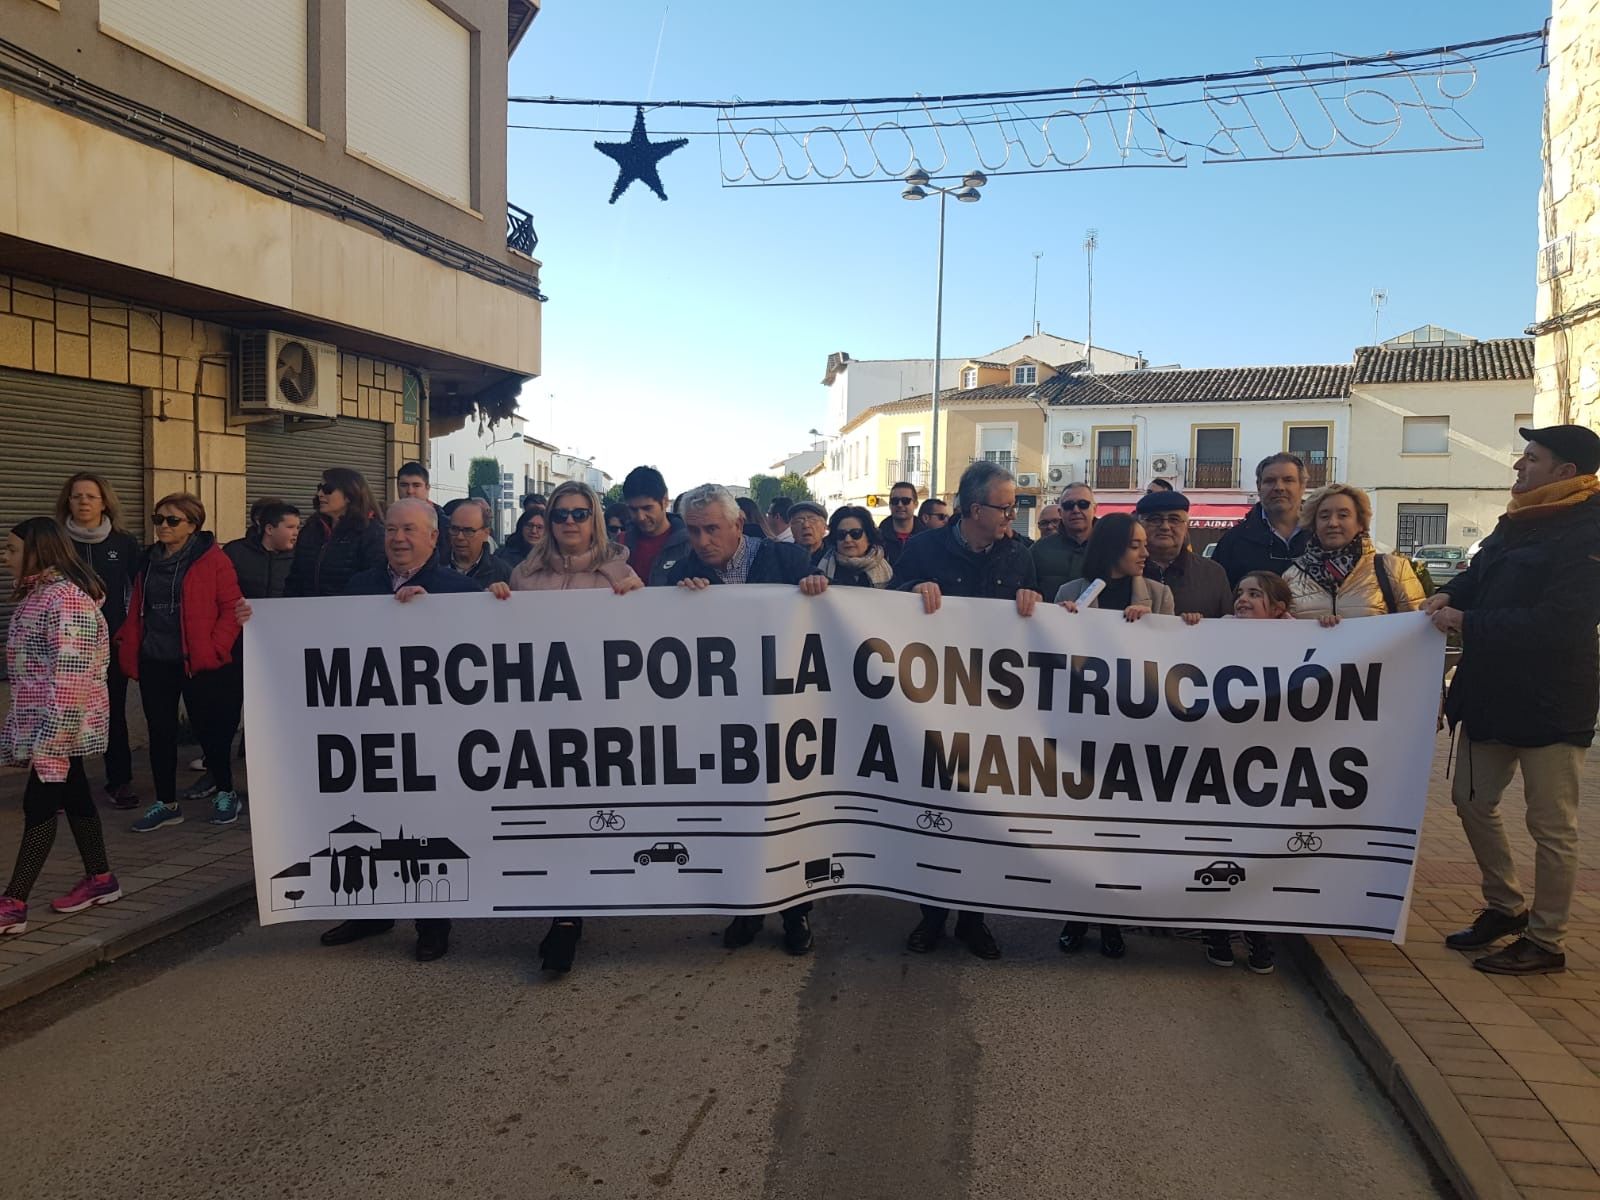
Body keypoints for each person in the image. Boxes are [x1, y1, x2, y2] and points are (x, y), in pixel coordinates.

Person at [1426, 424, 1600, 975]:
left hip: (1552, 705)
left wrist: (1468, 622)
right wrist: (1447, 593)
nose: (1519, 467)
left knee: (1552, 827)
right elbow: (1478, 574)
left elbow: (1563, 623)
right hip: (1488, 696)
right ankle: (1505, 906)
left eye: (1532, 458)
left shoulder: (1590, 529)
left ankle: (1546, 940)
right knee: (1470, 800)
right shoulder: (1517, 519)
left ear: (1565, 471)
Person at [316, 498, 492, 963]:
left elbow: (482, 662)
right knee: (369, 819)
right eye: (392, 529)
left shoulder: (458, 591)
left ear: (433, 537)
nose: (398, 538)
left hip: (433, 736)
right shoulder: (359, 586)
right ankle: (371, 911)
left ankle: (433, 922)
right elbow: (324, 641)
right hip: (371, 731)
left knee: (425, 826)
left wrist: (433, 617)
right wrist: (258, 623)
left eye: (409, 530)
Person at [664, 484, 827, 955]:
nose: (702, 541)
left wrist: (818, 591)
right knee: (736, 819)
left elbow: (828, 621)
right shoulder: (685, 572)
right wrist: (679, 602)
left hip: (784, 715)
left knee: (788, 817)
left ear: (738, 524)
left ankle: (796, 912)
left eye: (712, 529)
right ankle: (746, 908)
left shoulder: (789, 561)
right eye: (694, 531)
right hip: (723, 723)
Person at [891, 460, 1042, 960]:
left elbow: (1034, 625)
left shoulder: (1019, 554)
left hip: (994, 710)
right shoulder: (924, 549)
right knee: (935, 815)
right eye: (1006, 507)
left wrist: (1033, 600)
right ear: (975, 509)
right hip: (934, 706)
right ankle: (931, 915)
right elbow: (886, 604)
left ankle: (974, 920)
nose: (1012, 516)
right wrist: (911, 592)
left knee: (984, 817)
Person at [509, 481, 643, 971]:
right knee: (553, 817)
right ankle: (564, 912)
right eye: (560, 514)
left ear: (595, 519)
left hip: (598, 718)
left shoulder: (620, 573)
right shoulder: (524, 576)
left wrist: (641, 603)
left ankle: (570, 913)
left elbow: (644, 637)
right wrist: (492, 604)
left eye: (579, 513)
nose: (569, 522)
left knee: (587, 814)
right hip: (541, 716)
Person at [1055, 512, 1192, 961]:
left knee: (1116, 835)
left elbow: (1173, 661)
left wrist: (1157, 628)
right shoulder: (1070, 593)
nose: (1145, 552)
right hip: (1083, 733)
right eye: (1136, 545)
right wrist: (1063, 624)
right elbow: (1053, 657)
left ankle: (1111, 920)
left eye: (1144, 544)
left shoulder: (1158, 594)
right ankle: (1075, 916)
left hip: (1131, 734)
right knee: (1080, 834)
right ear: (1112, 547)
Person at [0, 518, 120, 935]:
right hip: (47, 724)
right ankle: (101, 879)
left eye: (12, 550)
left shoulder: (66, 601)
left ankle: (14, 903)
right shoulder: (38, 595)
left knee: (39, 805)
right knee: (76, 796)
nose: (5, 557)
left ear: (38, 552)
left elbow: (72, 676)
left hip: (59, 726)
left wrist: (52, 741)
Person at [114, 493, 244, 831]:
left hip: (197, 660)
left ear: (192, 525)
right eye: (158, 519)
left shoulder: (213, 560)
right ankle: (166, 803)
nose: (163, 526)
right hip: (155, 658)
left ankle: (226, 792)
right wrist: (130, 645)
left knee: (209, 730)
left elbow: (231, 608)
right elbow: (137, 606)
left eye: (173, 520)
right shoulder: (148, 560)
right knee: (160, 733)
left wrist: (214, 648)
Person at [1198, 570, 1295, 973]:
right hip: (1223, 761)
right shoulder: (1217, 632)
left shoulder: (1302, 640)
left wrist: (1330, 630)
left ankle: (1258, 932)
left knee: (1258, 852)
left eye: (1255, 594)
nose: (1242, 599)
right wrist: (1187, 627)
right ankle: (1218, 931)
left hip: (1269, 765)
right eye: (1240, 592)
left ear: (1278, 609)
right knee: (1218, 846)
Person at [56, 472, 142, 810]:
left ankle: (119, 781)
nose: (83, 502)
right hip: (67, 645)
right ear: (68, 501)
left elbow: (139, 591)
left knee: (114, 712)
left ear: (104, 502)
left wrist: (130, 632)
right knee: (67, 714)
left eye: (91, 496)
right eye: (76, 496)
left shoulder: (123, 543)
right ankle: (66, 786)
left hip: (111, 643)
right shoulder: (55, 542)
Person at [1284, 484, 1423, 624]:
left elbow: (1418, 626)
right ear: (1314, 524)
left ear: (1360, 523)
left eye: (1343, 515)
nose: (1333, 523)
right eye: (1324, 516)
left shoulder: (1394, 569)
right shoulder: (1291, 577)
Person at [1211, 453, 1310, 586]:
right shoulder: (1233, 542)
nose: (1279, 487)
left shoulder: (1322, 537)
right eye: (1270, 481)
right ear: (1259, 486)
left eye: (1288, 480)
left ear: (1302, 486)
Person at [286, 467, 385, 598]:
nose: (320, 494)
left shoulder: (371, 533)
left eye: (328, 489)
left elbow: (375, 580)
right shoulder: (311, 529)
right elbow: (295, 577)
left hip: (350, 608)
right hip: (307, 607)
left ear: (349, 494)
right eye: (319, 488)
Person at [1135, 490, 1233, 619]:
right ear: (1140, 525)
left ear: (1186, 526)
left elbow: (1228, 622)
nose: (1165, 526)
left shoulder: (1212, 573)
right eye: (1155, 519)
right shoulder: (1125, 571)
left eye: (1174, 520)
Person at [619, 466, 690, 585]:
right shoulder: (619, 545)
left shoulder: (691, 544)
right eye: (633, 510)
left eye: (647, 508)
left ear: (665, 501)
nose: (641, 517)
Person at [1031, 482, 1095, 601]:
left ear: (1095, 509)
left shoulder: (1111, 547)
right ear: (1060, 512)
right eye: (1068, 505)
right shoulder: (1038, 550)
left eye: (1083, 504)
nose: (1076, 510)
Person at [815, 505, 893, 587]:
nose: (847, 539)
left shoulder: (887, 570)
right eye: (841, 534)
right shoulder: (817, 568)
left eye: (855, 533)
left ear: (868, 537)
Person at [446, 498, 512, 587]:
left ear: (486, 533)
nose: (459, 537)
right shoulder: (434, 568)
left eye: (468, 531)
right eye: (454, 529)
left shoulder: (502, 572)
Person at [396, 461, 446, 562]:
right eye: (404, 485)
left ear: (427, 488)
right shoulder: (389, 518)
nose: (410, 491)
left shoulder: (443, 522)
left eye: (416, 485)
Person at [878, 481, 920, 567]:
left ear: (915, 504)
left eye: (905, 501)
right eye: (895, 501)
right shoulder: (877, 538)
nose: (900, 505)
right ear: (890, 505)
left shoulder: (927, 539)